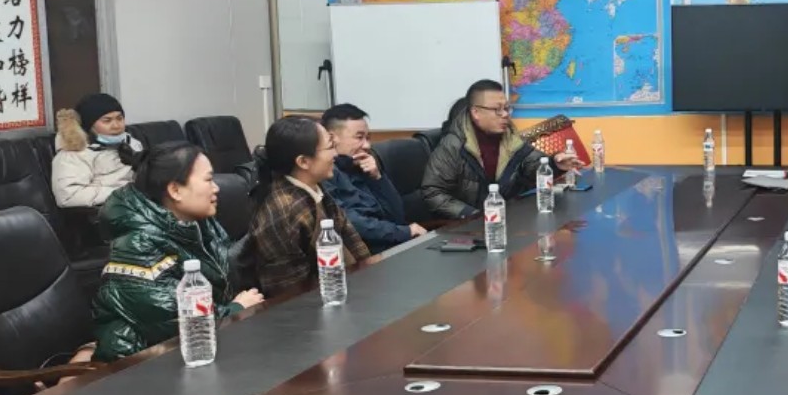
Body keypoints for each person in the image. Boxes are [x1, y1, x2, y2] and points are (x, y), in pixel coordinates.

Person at [91, 143, 264, 362]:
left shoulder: (198, 223)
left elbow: (224, 274)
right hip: (138, 365)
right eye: (208, 180)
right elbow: (175, 321)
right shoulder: (137, 244)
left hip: (198, 351)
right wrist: (236, 309)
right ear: (175, 190)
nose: (216, 188)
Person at [243, 115, 370, 296]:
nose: (335, 154)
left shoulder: (315, 188)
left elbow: (354, 243)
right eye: (330, 147)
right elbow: (289, 293)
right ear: (303, 161)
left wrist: (369, 276)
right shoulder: (283, 211)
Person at [419, 79, 582, 219]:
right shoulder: (454, 144)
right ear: (476, 112)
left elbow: (532, 165)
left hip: (507, 219)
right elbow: (433, 192)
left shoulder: (509, 137)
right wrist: (471, 214)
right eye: (497, 110)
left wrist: (554, 164)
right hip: (468, 228)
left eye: (506, 108)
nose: (505, 114)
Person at [320, 103, 427, 254]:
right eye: (359, 137)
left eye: (368, 138)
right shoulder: (326, 173)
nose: (367, 145)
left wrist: (378, 178)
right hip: (365, 255)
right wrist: (404, 232)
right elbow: (349, 222)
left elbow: (398, 215)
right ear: (332, 138)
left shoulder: (363, 165)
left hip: (393, 245)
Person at [52, 92, 146, 208]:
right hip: (108, 210)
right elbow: (69, 196)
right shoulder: (72, 155)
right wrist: (124, 194)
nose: (116, 126)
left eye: (119, 118)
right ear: (89, 125)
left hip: (139, 203)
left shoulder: (131, 142)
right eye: (107, 121)